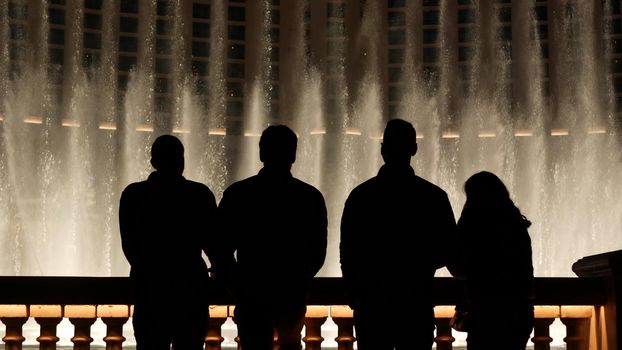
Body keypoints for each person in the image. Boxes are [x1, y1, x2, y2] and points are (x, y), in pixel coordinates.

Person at [340, 118, 457, 350]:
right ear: (414, 149)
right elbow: (450, 250)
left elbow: (348, 251)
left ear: (382, 150)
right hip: (416, 304)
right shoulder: (433, 197)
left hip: (371, 305)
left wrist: (354, 293)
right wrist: (420, 264)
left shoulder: (361, 196)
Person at [215, 125, 328, 350]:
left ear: (261, 153)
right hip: (291, 297)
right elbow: (317, 253)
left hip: (251, 297)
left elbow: (220, 250)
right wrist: (297, 283)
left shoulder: (238, 194)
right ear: (293, 155)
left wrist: (239, 287)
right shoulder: (309, 198)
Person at [119, 134, 218, 350]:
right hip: (190, 292)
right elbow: (214, 244)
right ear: (182, 162)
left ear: (153, 162)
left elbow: (129, 246)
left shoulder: (133, 195)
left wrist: (147, 269)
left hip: (149, 292)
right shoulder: (199, 194)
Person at [451, 171, 534, 350]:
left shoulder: (471, 224)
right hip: (518, 312)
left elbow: (458, 268)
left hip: (484, 312)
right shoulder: (516, 225)